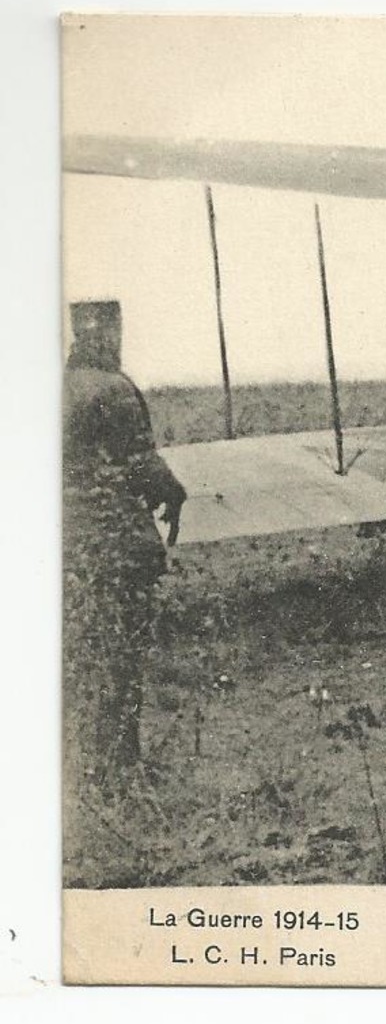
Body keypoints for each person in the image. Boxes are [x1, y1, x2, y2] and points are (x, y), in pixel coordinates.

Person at [62, 300, 187, 791]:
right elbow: (141, 462)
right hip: (112, 541)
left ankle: (81, 769)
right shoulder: (113, 388)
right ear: (107, 333)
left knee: (78, 655)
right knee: (121, 658)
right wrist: (173, 494)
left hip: (66, 544)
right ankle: (119, 766)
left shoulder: (55, 386)